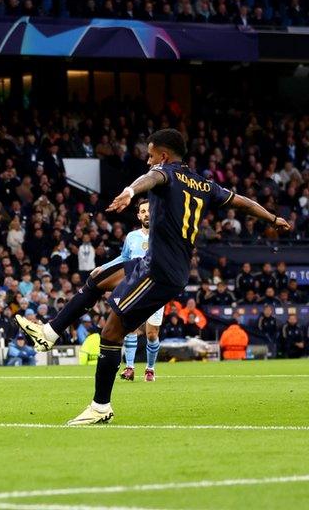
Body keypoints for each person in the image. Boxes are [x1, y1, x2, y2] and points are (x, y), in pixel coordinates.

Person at [17, 129, 289, 425]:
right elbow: (244, 203)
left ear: (162, 155)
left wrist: (131, 191)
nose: (148, 161)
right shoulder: (203, 184)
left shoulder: (164, 172)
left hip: (159, 271)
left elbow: (151, 178)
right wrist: (273, 218)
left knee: (111, 332)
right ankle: (49, 333)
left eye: (150, 155)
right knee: (97, 278)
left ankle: (100, 406)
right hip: (159, 264)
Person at [104, 200, 164, 382]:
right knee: (129, 328)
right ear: (139, 215)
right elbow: (123, 259)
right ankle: (129, 368)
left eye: (149, 210)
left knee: (152, 333)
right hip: (134, 288)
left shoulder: (163, 234)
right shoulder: (131, 237)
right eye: (143, 211)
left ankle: (150, 368)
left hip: (156, 289)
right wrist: (103, 268)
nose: (147, 214)